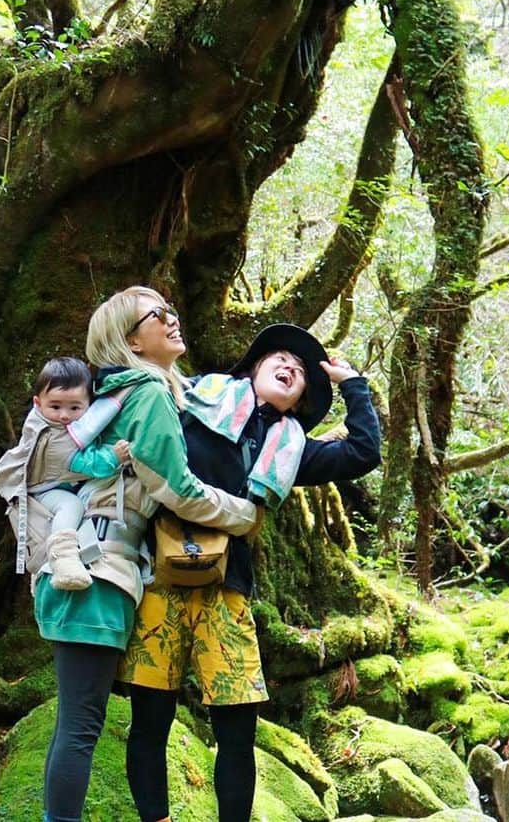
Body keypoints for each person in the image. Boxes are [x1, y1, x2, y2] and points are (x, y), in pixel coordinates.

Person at [119, 322, 382, 822]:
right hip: (158, 580)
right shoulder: (189, 400)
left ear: (302, 398)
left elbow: (363, 452)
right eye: (280, 358)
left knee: (237, 731)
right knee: (150, 721)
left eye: (301, 371)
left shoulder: (290, 447)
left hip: (228, 589)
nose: (290, 367)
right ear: (253, 367)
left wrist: (353, 385)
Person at [35, 287, 258, 822]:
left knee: (74, 724)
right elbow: (175, 487)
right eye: (158, 315)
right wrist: (242, 514)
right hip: (98, 574)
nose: (172, 319)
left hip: (84, 568)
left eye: (172, 309)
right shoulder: (149, 395)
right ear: (131, 339)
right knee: (82, 726)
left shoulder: (117, 394)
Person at [0, 356, 132, 591]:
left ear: (90, 404)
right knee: (71, 507)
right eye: (55, 406)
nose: (64, 415)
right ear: (38, 403)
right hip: (45, 492)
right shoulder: (56, 438)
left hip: (59, 485)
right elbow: (89, 464)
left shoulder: (53, 424)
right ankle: (63, 559)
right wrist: (114, 456)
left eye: (75, 407)